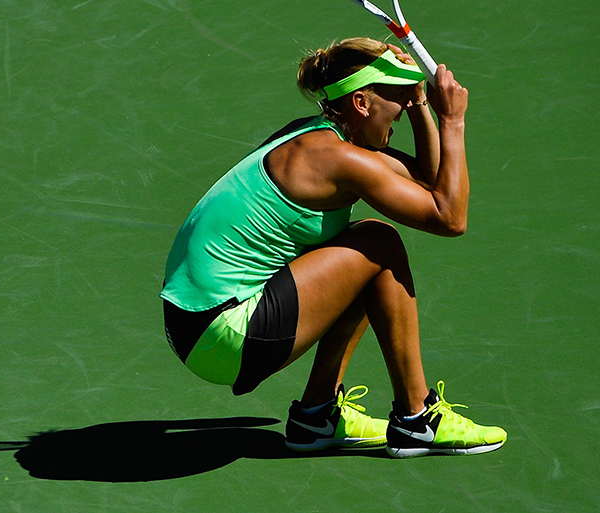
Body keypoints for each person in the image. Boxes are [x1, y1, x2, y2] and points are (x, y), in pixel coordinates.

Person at [160, 37, 506, 457]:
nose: (400, 111)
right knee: (379, 241)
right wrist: (452, 121)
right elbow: (450, 217)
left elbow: (430, 181)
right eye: (396, 99)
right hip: (225, 332)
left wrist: (419, 105)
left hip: (194, 327)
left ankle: (316, 417)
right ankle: (418, 418)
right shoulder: (337, 159)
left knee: (360, 252)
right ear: (361, 103)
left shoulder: (318, 139)